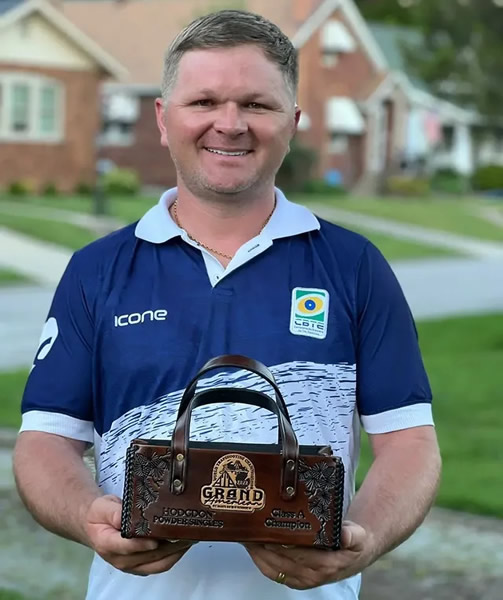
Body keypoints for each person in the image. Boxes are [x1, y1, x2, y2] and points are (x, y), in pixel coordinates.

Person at [13, 9, 441, 600]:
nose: (230, 124)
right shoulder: (97, 270)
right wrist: (88, 514)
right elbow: (45, 441)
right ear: (163, 118)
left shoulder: (354, 267)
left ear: (293, 122)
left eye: (256, 105)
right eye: (204, 101)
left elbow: (409, 441)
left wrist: (363, 536)